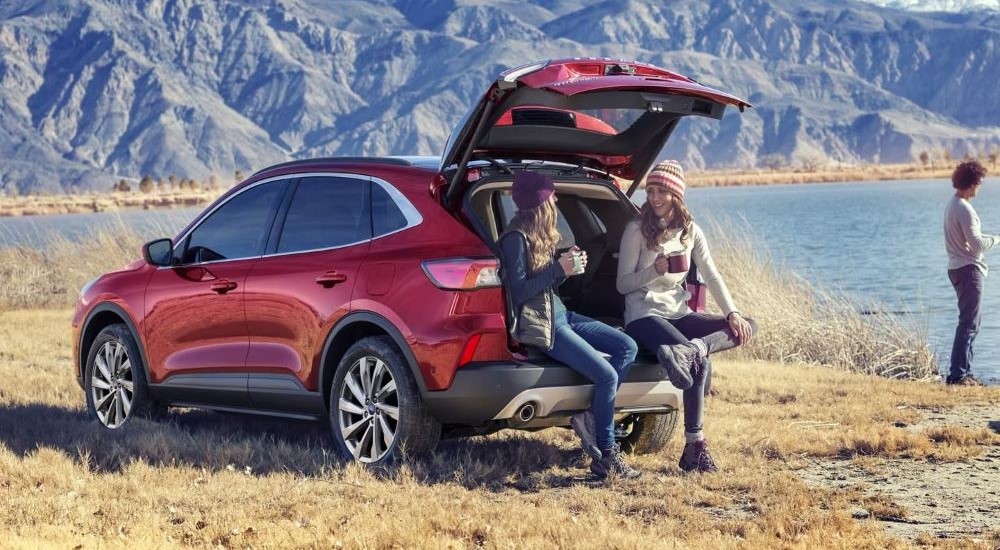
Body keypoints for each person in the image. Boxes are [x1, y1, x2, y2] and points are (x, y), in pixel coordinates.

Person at [498, 171, 641, 479]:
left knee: (627, 346)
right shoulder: (515, 239)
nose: (557, 198)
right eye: (552, 194)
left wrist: (567, 269)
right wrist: (557, 269)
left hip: (563, 315)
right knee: (605, 376)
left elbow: (546, 285)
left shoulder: (540, 235)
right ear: (540, 201)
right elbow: (519, 292)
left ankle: (591, 417)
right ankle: (606, 454)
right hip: (546, 326)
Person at [617, 160, 756, 473]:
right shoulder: (636, 230)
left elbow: (712, 273)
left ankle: (694, 348)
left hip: (678, 313)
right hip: (643, 315)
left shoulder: (690, 231)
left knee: (748, 325)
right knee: (698, 364)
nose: (655, 198)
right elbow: (622, 284)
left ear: (676, 195)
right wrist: (653, 271)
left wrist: (732, 312)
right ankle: (695, 448)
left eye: (662, 191)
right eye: (651, 191)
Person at [943, 159, 995, 386]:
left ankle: (965, 372)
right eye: (980, 181)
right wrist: (997, 239)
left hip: (958, 268)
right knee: (969, 324)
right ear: (971, 182)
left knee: (971, 323)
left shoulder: (953, 204)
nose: (981, 186)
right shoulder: (964, 208)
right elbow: (977, 244)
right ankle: (958, 376)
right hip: (968, 270)